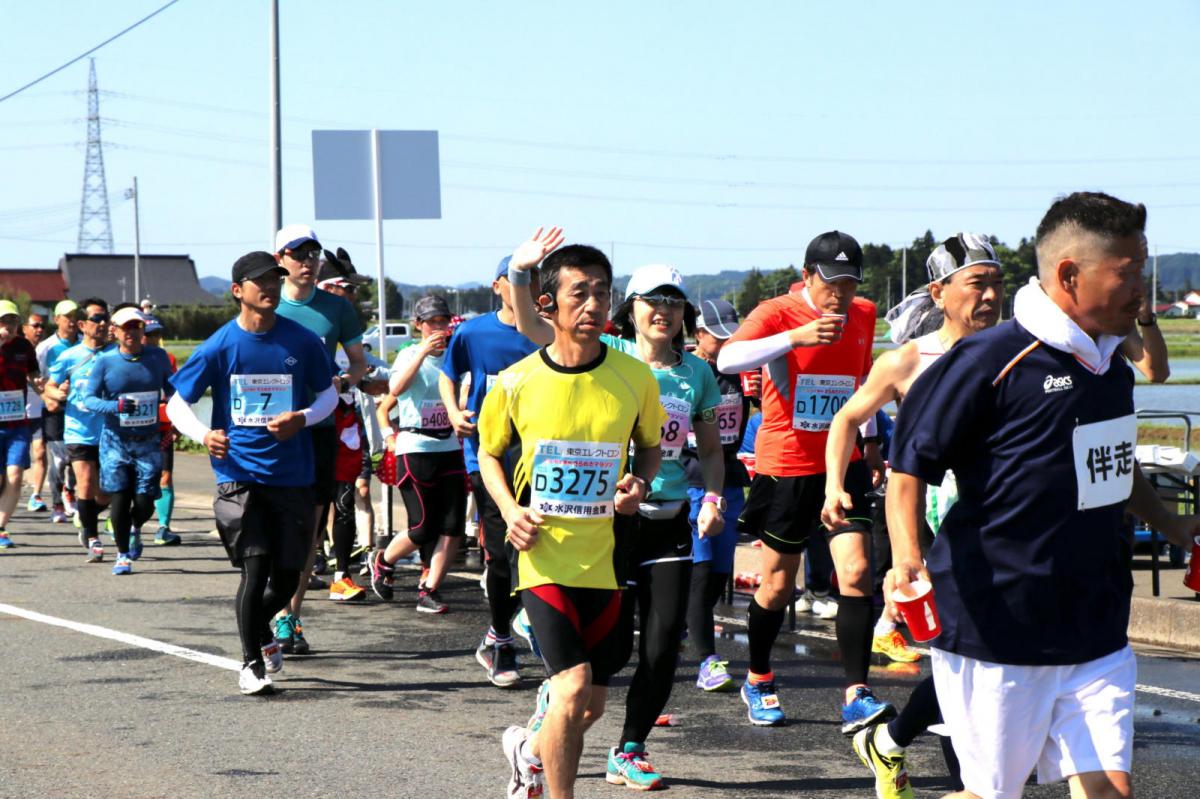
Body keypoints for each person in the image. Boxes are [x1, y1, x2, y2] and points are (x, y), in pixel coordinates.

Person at [887, 192, 1200, 799]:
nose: (1141, 288)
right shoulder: (989, 360)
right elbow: (908, 467)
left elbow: (1110, 464)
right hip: (998, 624)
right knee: (991, 795)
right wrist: (905, 556)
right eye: (1128, 272)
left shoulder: (1110, 364)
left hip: (1096, 623)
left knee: (1110, 791)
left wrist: (1172, 525)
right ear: (1069, 274)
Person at [509, 237, 726, 789]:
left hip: (669, 518)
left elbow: (709, 448)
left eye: (675, 301)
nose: (665, 311)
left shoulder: (696, 373)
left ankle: (630, 749)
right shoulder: (607, 354)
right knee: (591, 674)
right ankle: (552, 703)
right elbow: (538, 335)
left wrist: (714, 500)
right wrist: (520, 271)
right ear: (630, 308)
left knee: (660, 645)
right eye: (653, 300)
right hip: (609, 527)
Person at [820, 232, 1003, 798]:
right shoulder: (908, 359)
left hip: (998, 518)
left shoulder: (1016, 350)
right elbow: (847, 419)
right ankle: (963, 776)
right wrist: (833, 485)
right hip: (928, 519)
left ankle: (891, 742)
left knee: (979, 655)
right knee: (966, 653)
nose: (992, 296)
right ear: (939, 291)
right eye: (979, 284)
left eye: (999, 283)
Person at [480, 238, 664, 799]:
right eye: (578, 293)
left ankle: (528, 751)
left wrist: (639, 482)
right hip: (543, 556)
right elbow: (489, 454)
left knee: (589, 705)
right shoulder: (515, 382)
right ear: (547, 305)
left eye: (602, 294)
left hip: (608, 558)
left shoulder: (635, 378)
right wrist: (510, 512)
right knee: (573, 686)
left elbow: (650, 447)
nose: (592, 305)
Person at [716, 231, 893, 732]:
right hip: (788, 463)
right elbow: (728, 358)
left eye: (850, 283)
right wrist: (795, 338)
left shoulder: (863, 313)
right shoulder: (776, 312)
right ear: (808, 275)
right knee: (775, 587)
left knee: (856, 573)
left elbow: (863, 388)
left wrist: (874, 443)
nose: (841, 294)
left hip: (844, 462)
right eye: (832, 282)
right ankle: (759, 677)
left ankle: (857, 693)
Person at [167, 251, 337, 695]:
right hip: (238, 473)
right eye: (261, 280)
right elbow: (177, 403)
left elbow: (328, 396)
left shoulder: (301, 342)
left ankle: (260, 630)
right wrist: (204, 435)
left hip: (293, 474)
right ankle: (250, 664)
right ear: (238, 291)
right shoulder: (221, 344)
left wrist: (302, 417)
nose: (271, 287)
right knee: (255, 568)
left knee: (287, 578)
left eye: (275, 279)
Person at [439, 255, 540, 687]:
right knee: (501, 553)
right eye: (521, 279)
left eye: (536, 279)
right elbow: (448, 373)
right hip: (490, 456)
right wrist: (453, 412)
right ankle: (500, 639)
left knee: (536, 550)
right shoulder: (474, 331)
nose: (530, 287)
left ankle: (530, 626)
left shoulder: (550, 333)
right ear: (500, 285)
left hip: (543, 458)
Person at [270, 224, 367, 654]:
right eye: (298, 254)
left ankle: (289, 615)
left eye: (313, 254)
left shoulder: (337, 308)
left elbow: (360, 364)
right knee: (274, 526)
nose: (308, 262)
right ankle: (269, 607)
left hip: (320, 426)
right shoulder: (267, 305)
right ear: (280, 261)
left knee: (310, 528)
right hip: (272, 430)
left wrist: (344, 380)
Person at [368, 295, 465, 613]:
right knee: (423, 527)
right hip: (415, 446)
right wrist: (423, 351)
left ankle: (429, 588)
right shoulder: (409, 354)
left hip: (449, 446)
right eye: (432, 322)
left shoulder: (455, 355)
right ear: (418, 325)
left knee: (453, 527)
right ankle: (383, 560)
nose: (439, 327)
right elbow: (395, 391)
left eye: (443, 321)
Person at [684, 299, 752, 693]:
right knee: (702, 569)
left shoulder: (742, 373)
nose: (725, 342)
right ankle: (707, 661)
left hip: (729, 481)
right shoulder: (688, 372)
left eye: (731, 334)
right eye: (717, 334)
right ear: (698, 334)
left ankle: (684, 624)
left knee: (720, 574)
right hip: (693, 481)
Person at [81, 305, 175, 575]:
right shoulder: (105, 361)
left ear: (143, 329)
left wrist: (173, 409)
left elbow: (173, 388)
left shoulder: (157, 357)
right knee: (120, 497)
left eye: (136, 326)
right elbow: (88, 398)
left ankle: (135, 526)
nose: (131, 332)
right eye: (126, 327)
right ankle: (122, 555)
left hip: (148, 439)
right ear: (116, 331)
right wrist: (115, 407)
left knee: (145, 501)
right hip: (115, 440)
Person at [44, 298, 116, 562]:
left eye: (106, 318)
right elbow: (49, 387)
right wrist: (58, 393)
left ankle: (86, 516)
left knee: (108, 490)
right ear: (83, 325)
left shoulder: (116, 353)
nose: (103, 323)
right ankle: (93, 538)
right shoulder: (69, 356)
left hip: (111, 432)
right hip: (79, 431)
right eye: (97, 319)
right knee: (85, 483)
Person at [0, 301, 42, 548]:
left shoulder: (24, 347)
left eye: (13, 321)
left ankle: (1, 527)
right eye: (4, 321)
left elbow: (33, 375)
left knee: (15, 475)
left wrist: (41, 384)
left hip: (17, 422)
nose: (9, 326)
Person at [37, 300, 79, 524]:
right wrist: (47, 397)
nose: (71, 321)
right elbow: (36, 380)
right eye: (66, 316)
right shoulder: (46, 348)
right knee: (59, 459)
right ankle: (57, 503)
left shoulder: (84, 345)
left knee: (76, 457)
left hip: (79, 408)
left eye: (74, 316)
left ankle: (70, 491)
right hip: (54, 408)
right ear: (57, 320)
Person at [142, 316, 182, 545]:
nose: (153, 339)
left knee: (165, 476)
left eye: (156, 334)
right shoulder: (124, 358)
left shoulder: (168, 359)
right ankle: (125, 520)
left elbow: (175, 393)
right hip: (135, 429)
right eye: (149, 334)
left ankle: (163, 526)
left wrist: (177, 423)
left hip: (163, 426)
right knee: (137, 477)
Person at [22, 312, 48, 513]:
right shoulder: (12, 349)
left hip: (38, 410)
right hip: (13, 414)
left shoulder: (46, 349)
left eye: (42, 326)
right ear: (24, 328)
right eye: (35, 325)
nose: (39, 330)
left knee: (39, 453)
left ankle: (36, 495)